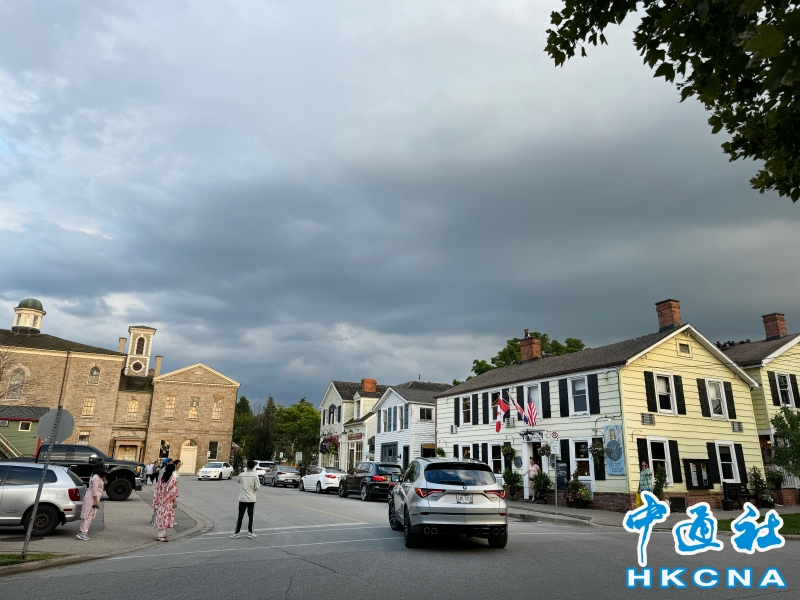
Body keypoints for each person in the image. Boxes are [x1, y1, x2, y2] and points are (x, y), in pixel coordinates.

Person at [231, 459, 260, 539]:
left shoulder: (241, 475)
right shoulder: (255, 476)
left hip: (242, 498)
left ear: (247, 466)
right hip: (251, 498)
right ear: (253, 467)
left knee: (240, 516)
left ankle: (237, 532)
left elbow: (239, 481)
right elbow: (257, 487)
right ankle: (250, 532)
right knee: (251, 516)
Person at [77, 466, 106, 541]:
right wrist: (95, 501)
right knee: (89, 515)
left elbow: (105, 483)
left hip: (91, 497)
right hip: (92, 498)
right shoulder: (96, 477)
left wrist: (103, 478)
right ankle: (83, 533)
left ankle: (82, 531)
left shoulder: (98, 476)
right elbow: (94, 490)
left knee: (86, 514)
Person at [152, 463, 179, 542]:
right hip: (168, 502)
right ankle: (160, 536)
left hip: (160, 500)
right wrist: (175, 502)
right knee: (166, 517)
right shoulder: (173, 479)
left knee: (161, 517)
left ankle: (161, 534)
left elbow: (157, 489)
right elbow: (172, 492)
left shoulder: (161, 478)